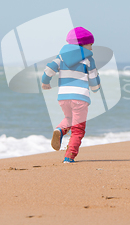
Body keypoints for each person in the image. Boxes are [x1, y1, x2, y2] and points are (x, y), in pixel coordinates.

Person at [41, 27, 101, 163]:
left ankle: (60, 130)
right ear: (82, 44)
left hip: (63, 97)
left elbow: (49, 69)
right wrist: (96, 87)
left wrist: (45, 82)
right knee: (78, 128)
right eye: (90, 44)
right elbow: (93, 78)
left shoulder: (61, 57)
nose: (91, 47)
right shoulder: (88, 59)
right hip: (80, 98)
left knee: (69, 118)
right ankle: (69, 157)